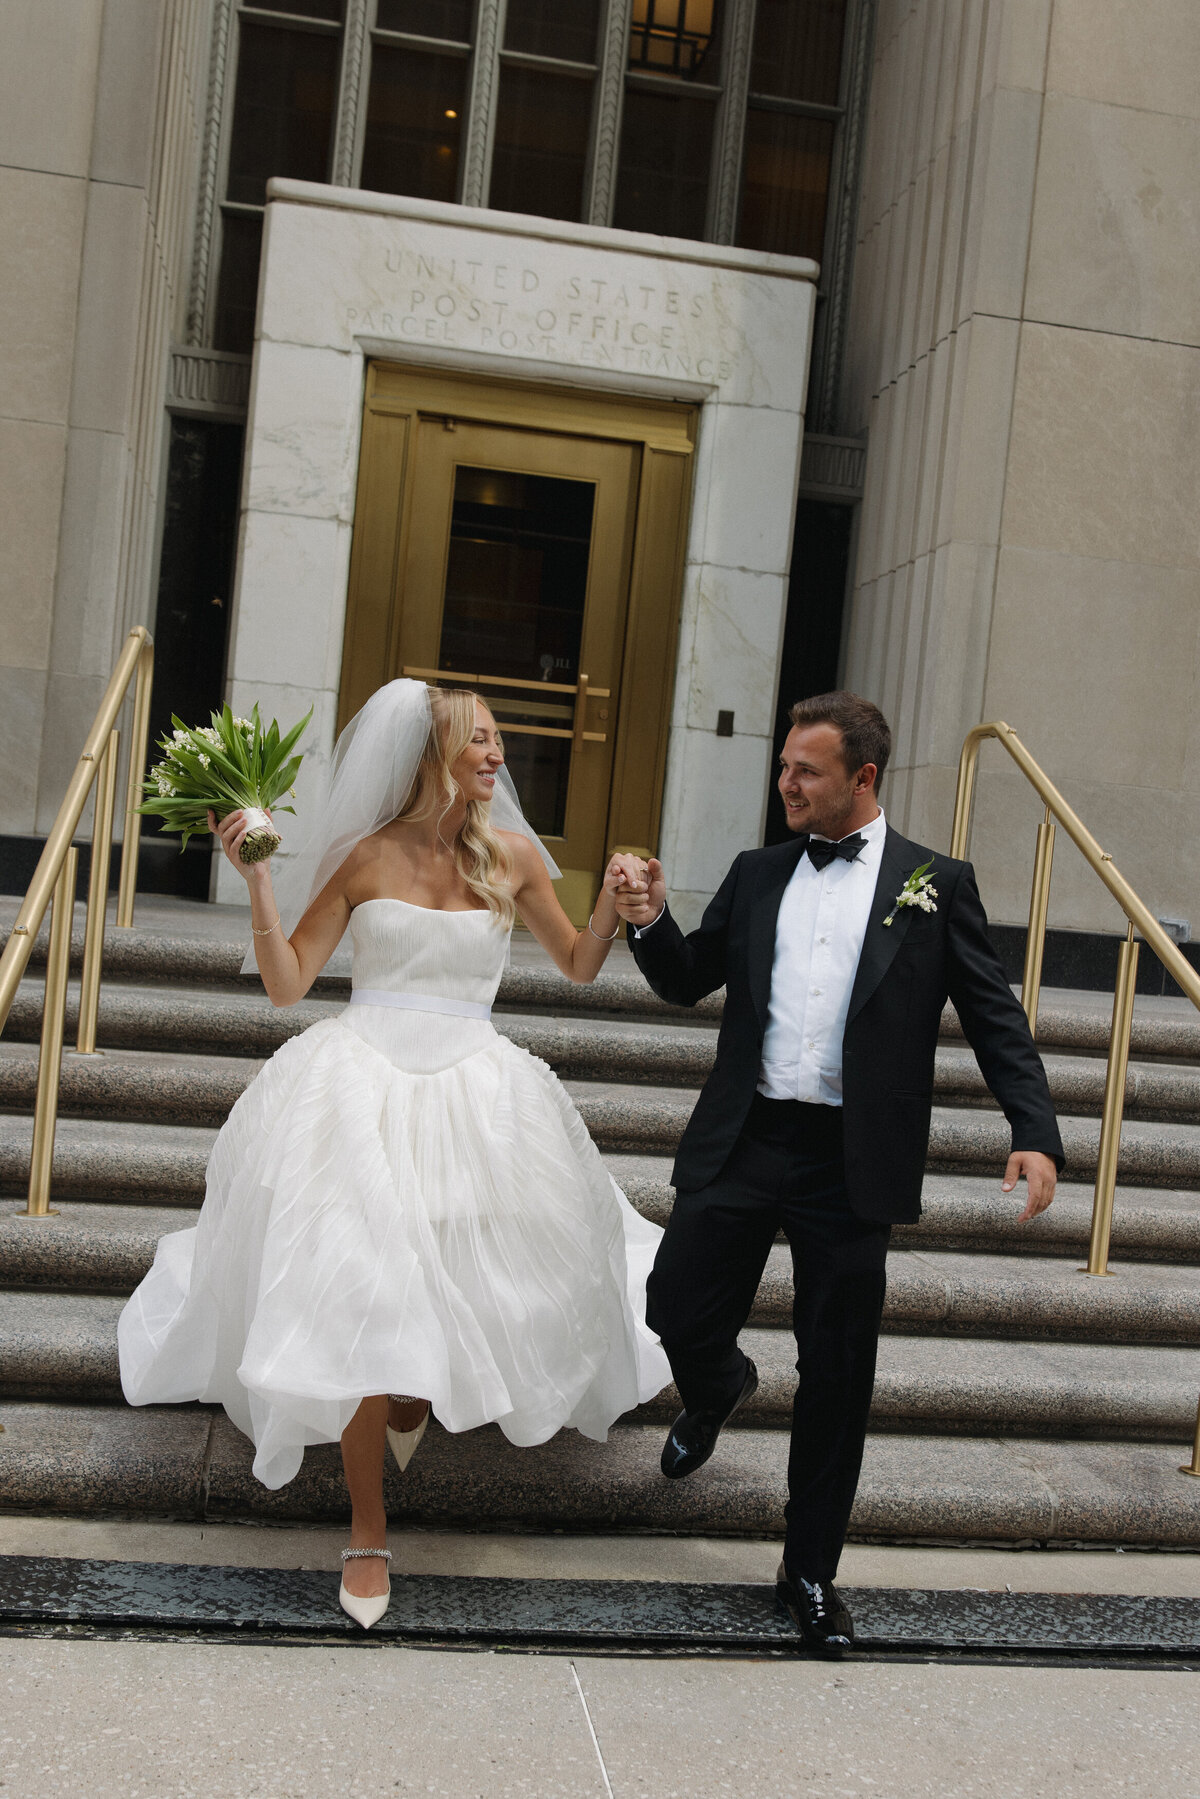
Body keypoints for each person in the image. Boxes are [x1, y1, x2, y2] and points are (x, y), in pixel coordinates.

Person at [119, 680, 669, 1629]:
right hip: (357, 1087)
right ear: (429, 755)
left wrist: (619, 908)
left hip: (476, 1092)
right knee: (369, 1290)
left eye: (498, 742)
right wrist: (255, 879)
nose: (498, 756)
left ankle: (412, 1400)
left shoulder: (515, 856)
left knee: (443, 1298)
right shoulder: (363, 856)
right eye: (480, 742)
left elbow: (578, 962)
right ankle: (366, 1528)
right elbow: (289, 985)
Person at [610, 691, 1063, 1656]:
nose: (785, 785)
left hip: (853, 1161)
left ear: (862, 778)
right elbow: (689, 976)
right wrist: (649, 918)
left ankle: (809, 1571)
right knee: (676, 1303)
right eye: (782, 767)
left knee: (838, 1375)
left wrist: (1035, 1126)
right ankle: (720, 1379)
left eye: (803, 772)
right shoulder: (758, 871)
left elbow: (994, 1015)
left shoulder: (935, 885)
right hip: (748, 1137)